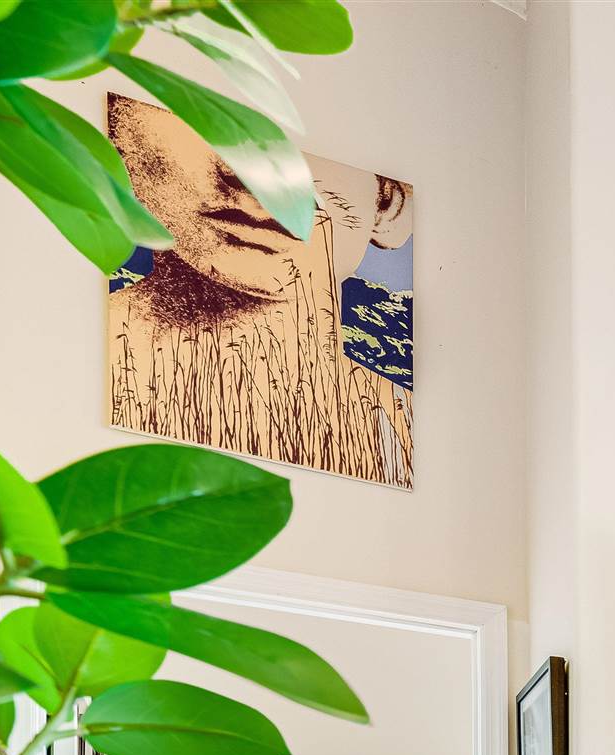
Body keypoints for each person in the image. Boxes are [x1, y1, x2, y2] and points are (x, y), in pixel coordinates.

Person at [105, 95, 414, 489]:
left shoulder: (396, 429)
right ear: (120, 141)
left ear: (390, 205)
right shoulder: (64, 358)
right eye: (205, 128)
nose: (260, 178)